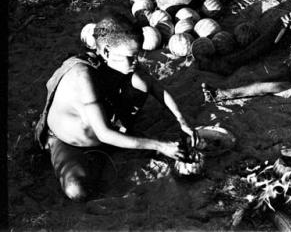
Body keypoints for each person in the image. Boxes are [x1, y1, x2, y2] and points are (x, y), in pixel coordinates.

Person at [34, 12, 197, 201]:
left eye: (137, 55)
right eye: (130, 56)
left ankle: (118, 142)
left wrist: (181, 119)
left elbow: (154, 85)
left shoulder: (119, 61)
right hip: (71, 143)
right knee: (77, 191)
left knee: (141, 80)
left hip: (108, 124)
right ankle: (101, 151)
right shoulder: (82, 76)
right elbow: (103, 133)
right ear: (106, 52)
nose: (136, 61)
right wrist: (159, 145)